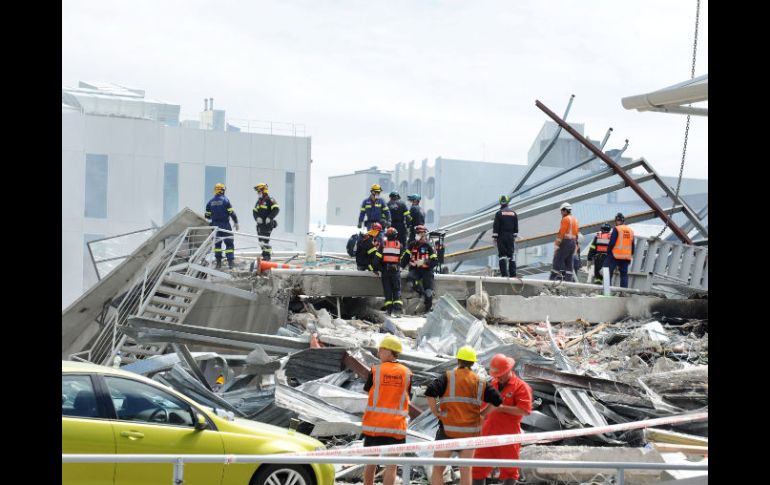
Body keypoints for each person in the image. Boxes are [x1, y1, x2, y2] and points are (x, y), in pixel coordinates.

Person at [425, 346, 502, 485]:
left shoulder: (448, 377)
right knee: (466, 470)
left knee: (437, 469)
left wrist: (436, 412)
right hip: (469, 434)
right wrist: (483, 414)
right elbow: (498, 400)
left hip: (447, 431)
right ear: (473, 363)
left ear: (458, 360)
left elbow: (430, 391)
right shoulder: (480, 381)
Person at [471, 354, 533, 485]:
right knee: (477, 467)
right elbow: (483, 410)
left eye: (501, 375)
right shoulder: (492, 384)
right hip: (487, 433)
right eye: (496, 376)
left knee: (510, 469)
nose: (498, 378)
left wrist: (500, 408)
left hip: (509, 435)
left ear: (509, 370)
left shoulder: (521, 387)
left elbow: (525, 410)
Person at [361, 335, 412, 485]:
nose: (378, 353)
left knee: (370, 464)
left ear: (390, 352)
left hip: (374, 426)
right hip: (396, 428)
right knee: (392, 466)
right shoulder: (407, 373)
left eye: (381, 350)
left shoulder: (376, 370)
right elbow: (409, 395)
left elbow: (367, 392)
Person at [401, 225, 437, 312]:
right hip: (415, 270)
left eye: (419, 233)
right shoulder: (412, 245)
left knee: (428, 289)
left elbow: (435, 261)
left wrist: (424, 262)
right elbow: (405, 257)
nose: (417, 235)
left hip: (427, 271)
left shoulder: (429, 246)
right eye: (416, 233)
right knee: (410, 281)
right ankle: (421, 293)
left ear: (423, 234)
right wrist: (401, 267)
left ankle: (428, 308)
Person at [205, 183, 239, 269]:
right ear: (222, 190)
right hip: (225, 225)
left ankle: (218, 263)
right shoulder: (225, 200)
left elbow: (207, 216)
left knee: (217, 245)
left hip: (215, 226)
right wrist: (236, 222)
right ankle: (230, 263)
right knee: (229, 244)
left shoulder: (210, 202)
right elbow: (232, 213)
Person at [604, 213, 635, 288]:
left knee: (607, 271)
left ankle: (607, 290)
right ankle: (623, 292)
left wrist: (608, 252)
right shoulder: (630, 230)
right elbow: (633, 245)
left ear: (617, 221)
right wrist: (631, 255)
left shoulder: (617, 229)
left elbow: (612, 242)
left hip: (615, 255)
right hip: (626, 257)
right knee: (624, 275)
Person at [550, 202, 579, 282]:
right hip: (573, 243)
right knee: (569, 264)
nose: (561, 213)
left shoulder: (565, 219)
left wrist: (557, 244)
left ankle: (551, 282)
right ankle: (568, 283)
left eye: (561, 211)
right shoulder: (574, 219)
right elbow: (576, 233)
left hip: (566, 242)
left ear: (565, 210)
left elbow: (561, 233)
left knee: (557, 261)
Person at [252, 183, 280, 261]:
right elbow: (254, 211)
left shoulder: (270, 199)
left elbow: (276, 209)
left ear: (264, 191)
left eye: (259, 191)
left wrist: (269, 217)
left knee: (265, 240)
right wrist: (257, 218)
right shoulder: (259, 201)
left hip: (267, 224)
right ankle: (264, 254)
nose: (258, 193)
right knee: (261, 241)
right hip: (260, 225)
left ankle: (267, 256)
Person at [493, 195, 519, 277]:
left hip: (501, 237)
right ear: (508, 202)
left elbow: (496, 226)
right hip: (510, 237)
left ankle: (504, 274)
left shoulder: (499, 213)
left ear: (500, 202)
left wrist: (495, 238)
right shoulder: (513, 213)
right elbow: (516, 227)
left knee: (502, 256)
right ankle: (513, 274)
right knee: (511, 255)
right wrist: (514, 236)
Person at [380, 227, 404, 316]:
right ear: (396, 235)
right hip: (395, 270)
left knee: (388, 290)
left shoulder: (383, 245)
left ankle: (389, 310)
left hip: (385, 271)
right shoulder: (399, 245)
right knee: (397, 290)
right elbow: (403, 258)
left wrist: (378, 268)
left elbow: (377, 259)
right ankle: (397, 310)